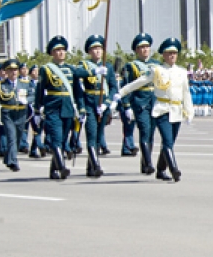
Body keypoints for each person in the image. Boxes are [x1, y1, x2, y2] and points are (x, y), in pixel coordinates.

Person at [119, 38, 193, 182]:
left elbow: (186, 93)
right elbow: (139, 82)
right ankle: (174, 169)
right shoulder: (157, 70)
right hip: (162, 109)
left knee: (170, 142)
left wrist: (189, 112)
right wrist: (122, 92)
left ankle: (160, 169)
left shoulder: (182, 72)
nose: (172, 55)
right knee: (166, 140)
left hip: (176, 110)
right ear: (163, 55)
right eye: (169, 53)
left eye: (174, 53)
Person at [35, 36, 101, 180]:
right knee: (56, 138)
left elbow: (77, 91)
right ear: (52, 53)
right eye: (57, 50)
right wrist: (36, 109)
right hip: (52, 108)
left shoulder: (71, 69)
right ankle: (62, 167)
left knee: (63, 138)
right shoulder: (46, 69)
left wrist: (81, 109)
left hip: (68, 108)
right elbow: (39, 90)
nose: (61, 53)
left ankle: (53, 170)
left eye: (63, 50)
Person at [77, 35, 119, 178]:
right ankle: (96, 166)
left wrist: (108, 103)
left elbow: (113, 87)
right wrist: (94, 71)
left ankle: (90, 167)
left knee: (97, 137)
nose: (97, 51)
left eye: (99, 48)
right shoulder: (85, 65)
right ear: (89, 51)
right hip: (89, 103)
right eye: (94, 48)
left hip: (103, 105)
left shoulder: (107, 66)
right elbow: (76, 74)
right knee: (91, 134)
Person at [121, 33, 157, 174]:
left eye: (147, 46)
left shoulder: (157, 65)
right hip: (140, 103)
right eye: (141, 47)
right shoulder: (131, 67)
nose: (145, 49)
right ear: (136, 50)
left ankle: (145, 162)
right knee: (144, 131)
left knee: (151, 134)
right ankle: (148, 163)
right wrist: (126, 106)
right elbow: (126, 87)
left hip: (154, 102)